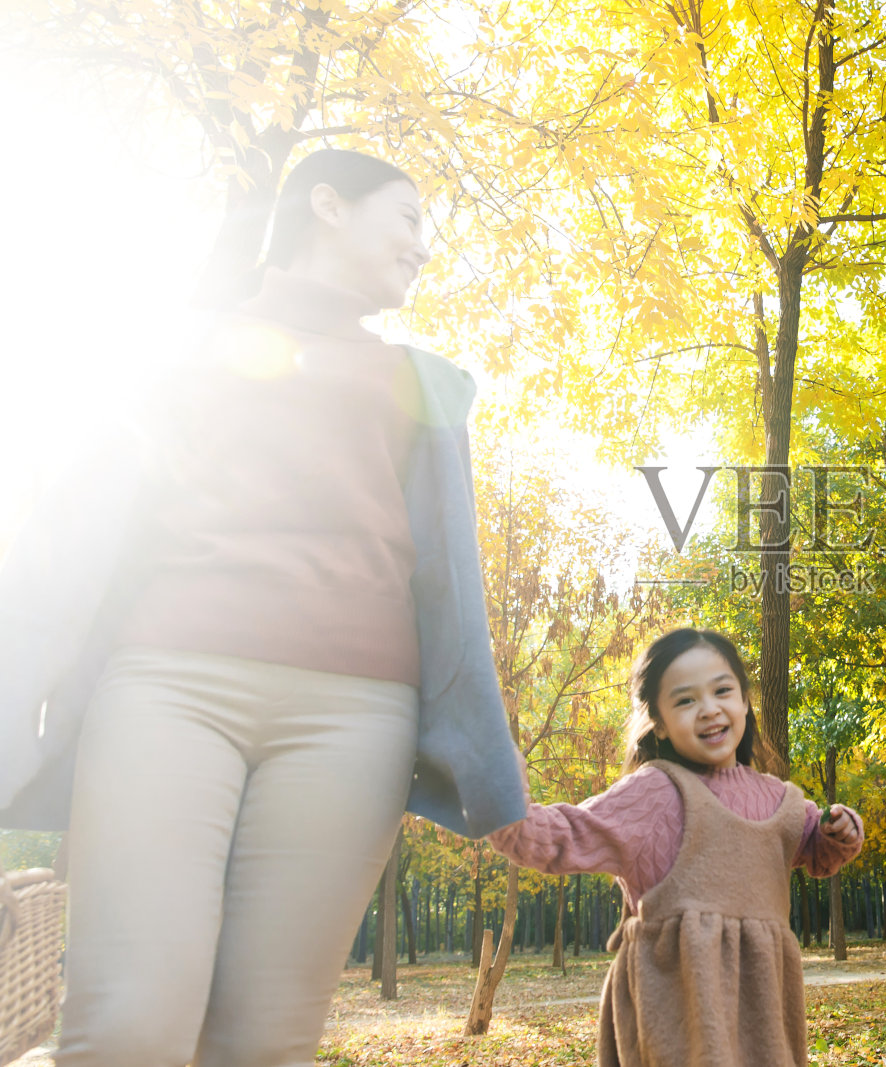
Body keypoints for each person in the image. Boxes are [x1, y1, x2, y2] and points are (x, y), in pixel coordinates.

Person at [0, 148, 528, 1066]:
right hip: (169, 687)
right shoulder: (176, 346)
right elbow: (65, 539)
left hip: (355, 719)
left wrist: (482, 751)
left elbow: (450, 584)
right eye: (407, 219)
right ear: (327, 204)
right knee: (128, 1026)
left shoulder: (423, 381)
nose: (422, 248)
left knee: (263, 1043)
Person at [489, 628, 864, 1067]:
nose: (709, 709)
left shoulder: (780, 800)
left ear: (744, 701)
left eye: (723, 690)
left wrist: (840, 832)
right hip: (675, 1008)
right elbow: (552, 837)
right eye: (685, 700)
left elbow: (819, 852)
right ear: (660, 723)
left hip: (763, 1008)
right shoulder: (654, 795)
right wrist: (495, 772)